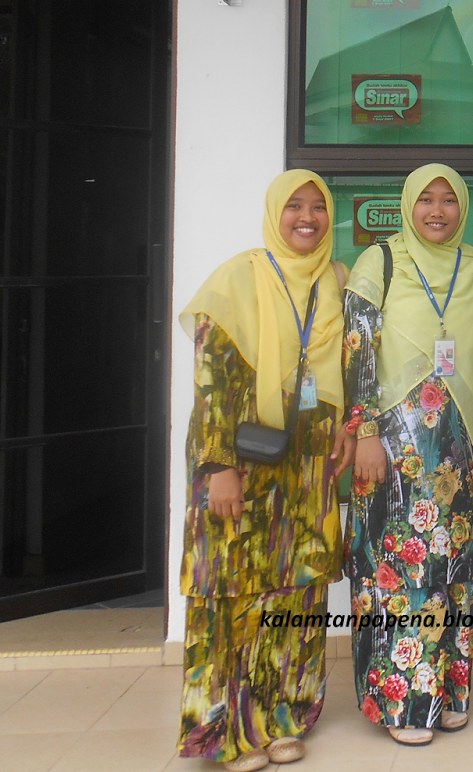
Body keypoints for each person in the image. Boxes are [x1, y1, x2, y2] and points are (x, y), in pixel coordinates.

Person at [177, 171, 356, 772]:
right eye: (294, 206)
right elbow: (211, 382)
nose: (307, 218)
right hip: (241, 459)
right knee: (230, 591)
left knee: (297, 592)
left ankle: (283, 717)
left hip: (308, 466)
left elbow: (354, 367)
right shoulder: (237, 278)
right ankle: (226, 731)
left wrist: (351, 428)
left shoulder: (336, 281)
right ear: (274, 214)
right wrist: (218, 466)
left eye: (318, 207)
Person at [343, 164, 473, 744]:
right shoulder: (380, 263)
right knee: (396, 569)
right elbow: (357, 353)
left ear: (463, 208)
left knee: (452, 570)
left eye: (449, 200)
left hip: (458, 447)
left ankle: (445, 693)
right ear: (408, 206)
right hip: (391, 446)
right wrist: (364, 432)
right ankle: (400, 706)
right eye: (426, 199)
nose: (437, 211)